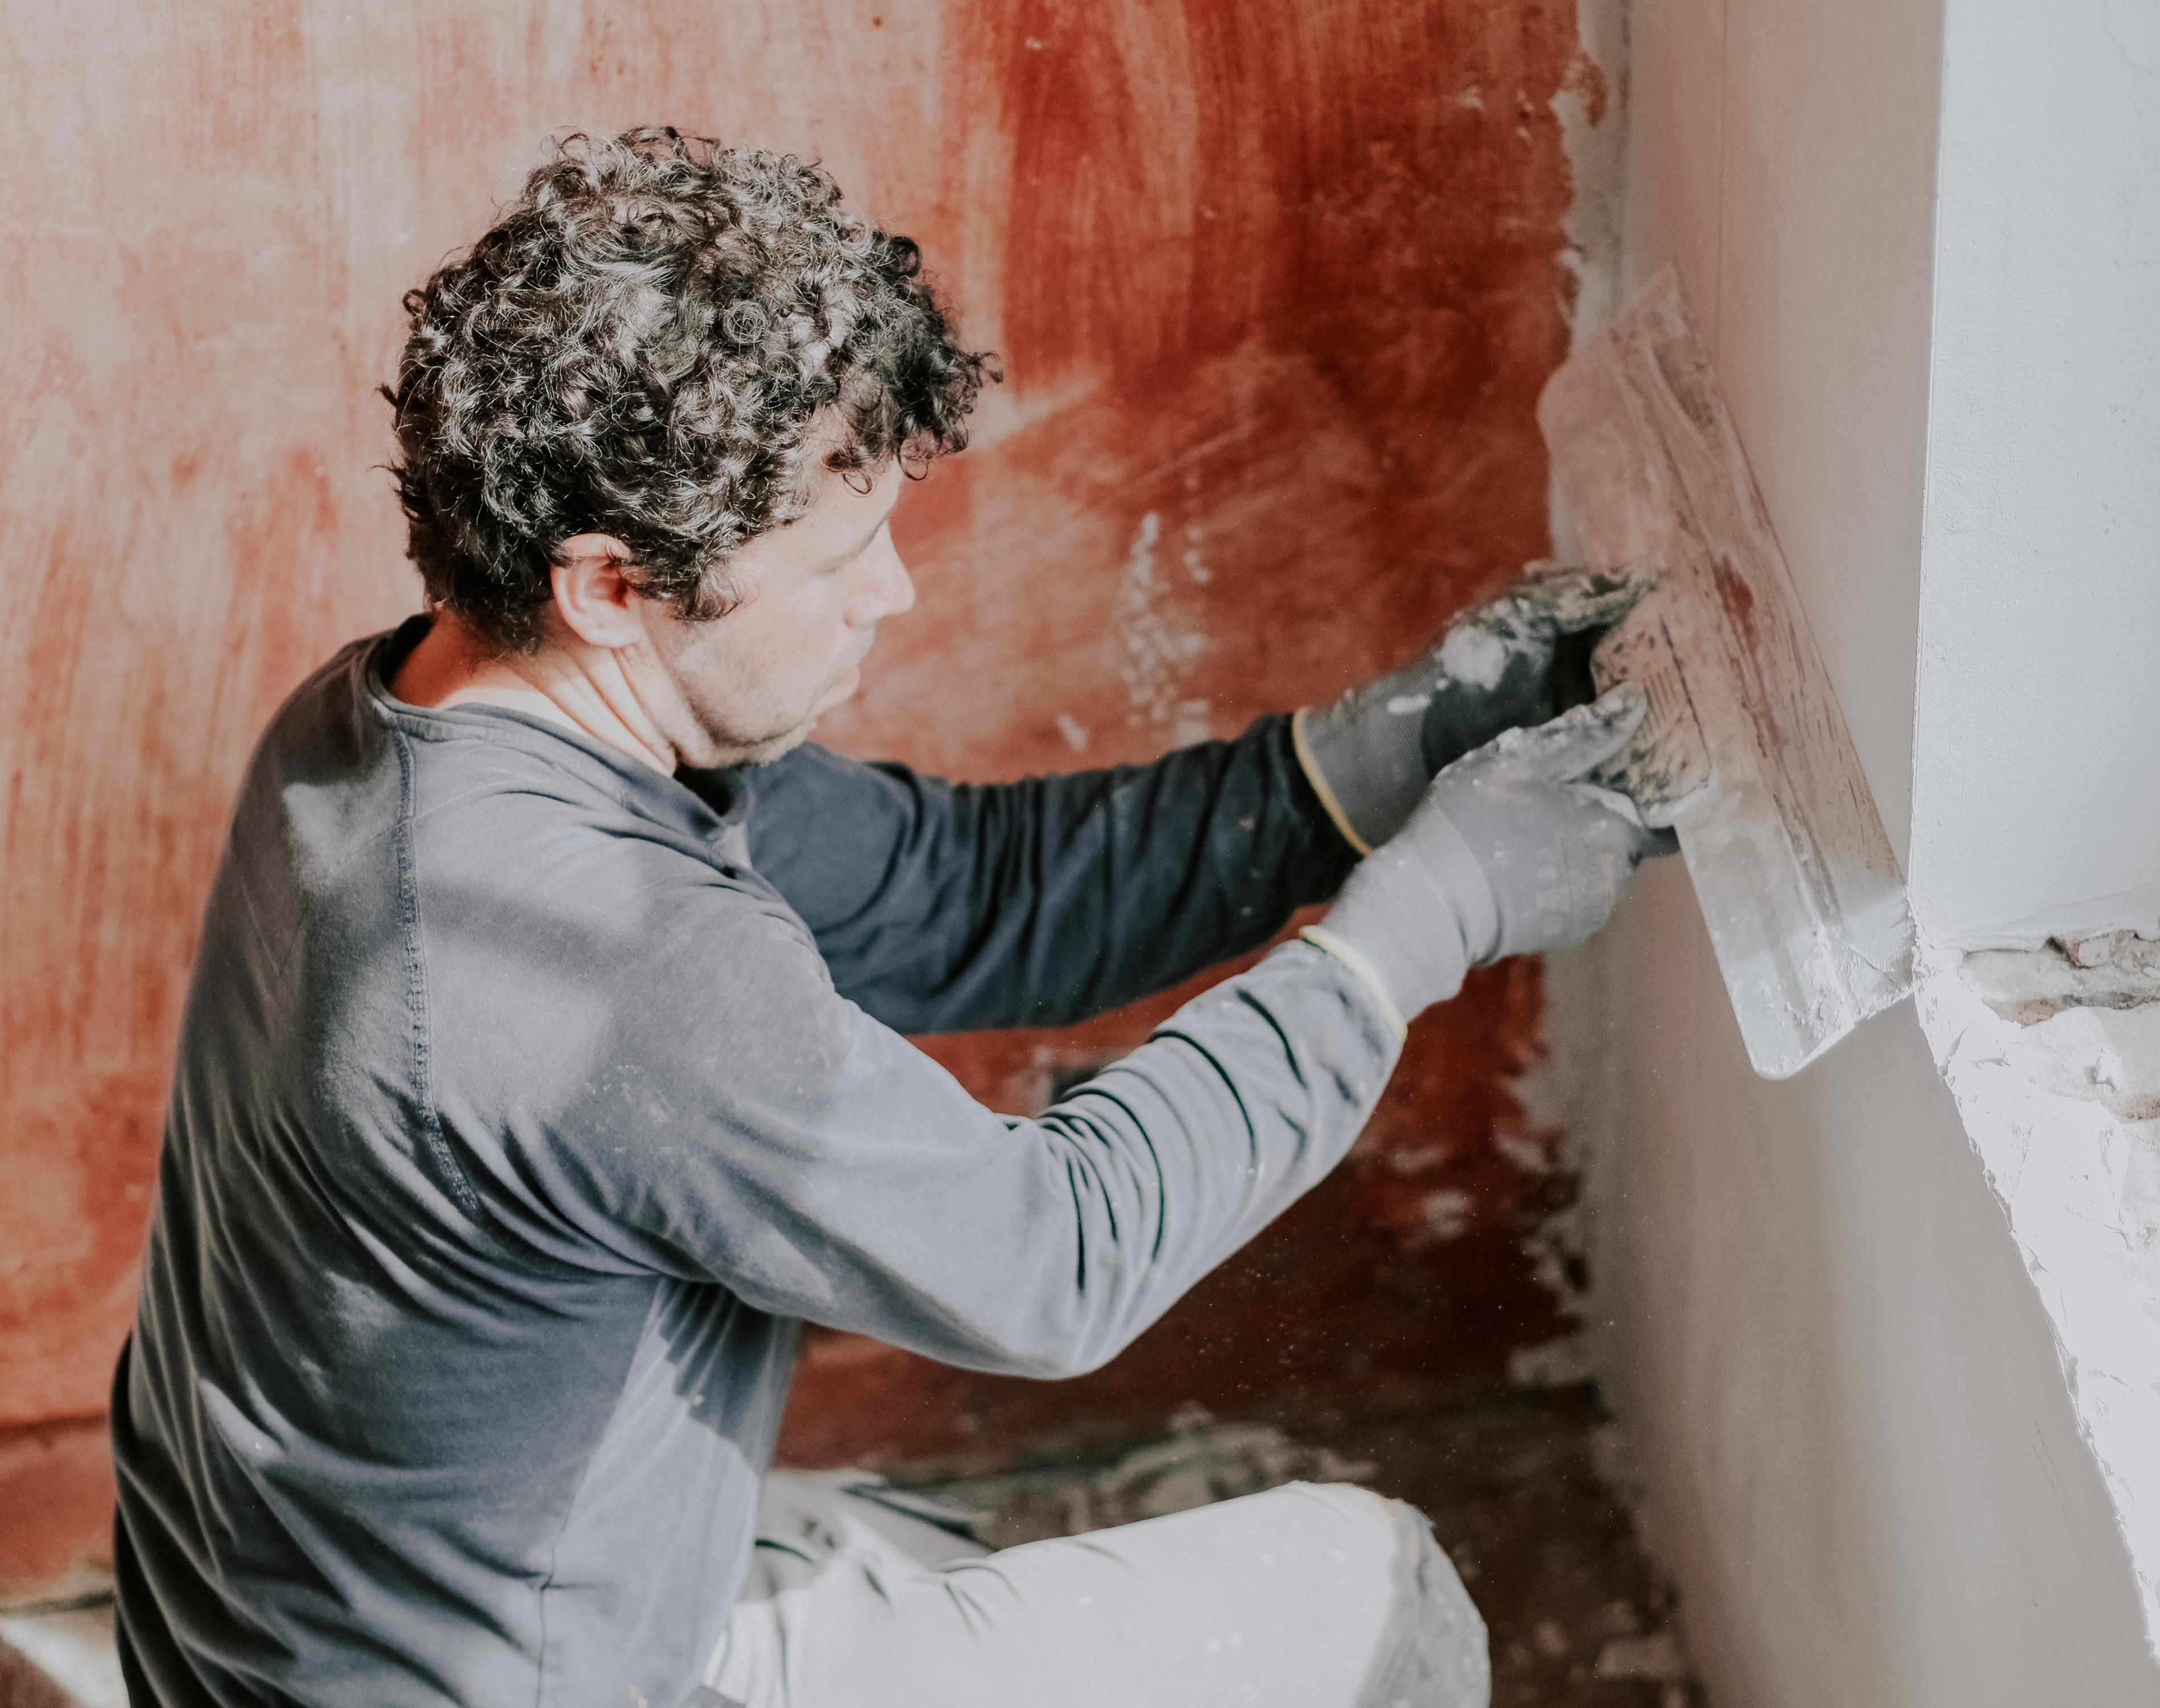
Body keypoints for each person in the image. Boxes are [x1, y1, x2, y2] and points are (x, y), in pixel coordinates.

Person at [109, 126, 1666, 1708]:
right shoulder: (609, 967)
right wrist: (1435, 912)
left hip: (327, 1627)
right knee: (1379, 1601)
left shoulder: (405, 714)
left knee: (929, 1566)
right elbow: (1052, 1259)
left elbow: (960, 895)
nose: (894, 593)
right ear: (610, 584)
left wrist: (1375, 759)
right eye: (839, 555)